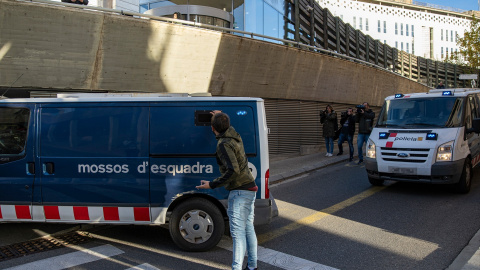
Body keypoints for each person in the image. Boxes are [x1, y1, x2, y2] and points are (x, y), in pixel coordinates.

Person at [196, 111, 258, 270]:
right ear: (227, 126)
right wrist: (221, 115)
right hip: (249, 187)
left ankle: (237, 268)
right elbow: (228, 126)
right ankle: (252, 266)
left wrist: (212, 184)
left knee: (237, 233)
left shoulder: (224, 144)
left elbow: (233, 171)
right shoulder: (235, 136)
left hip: (239, 191)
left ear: (212, 128)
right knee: (248, 228)